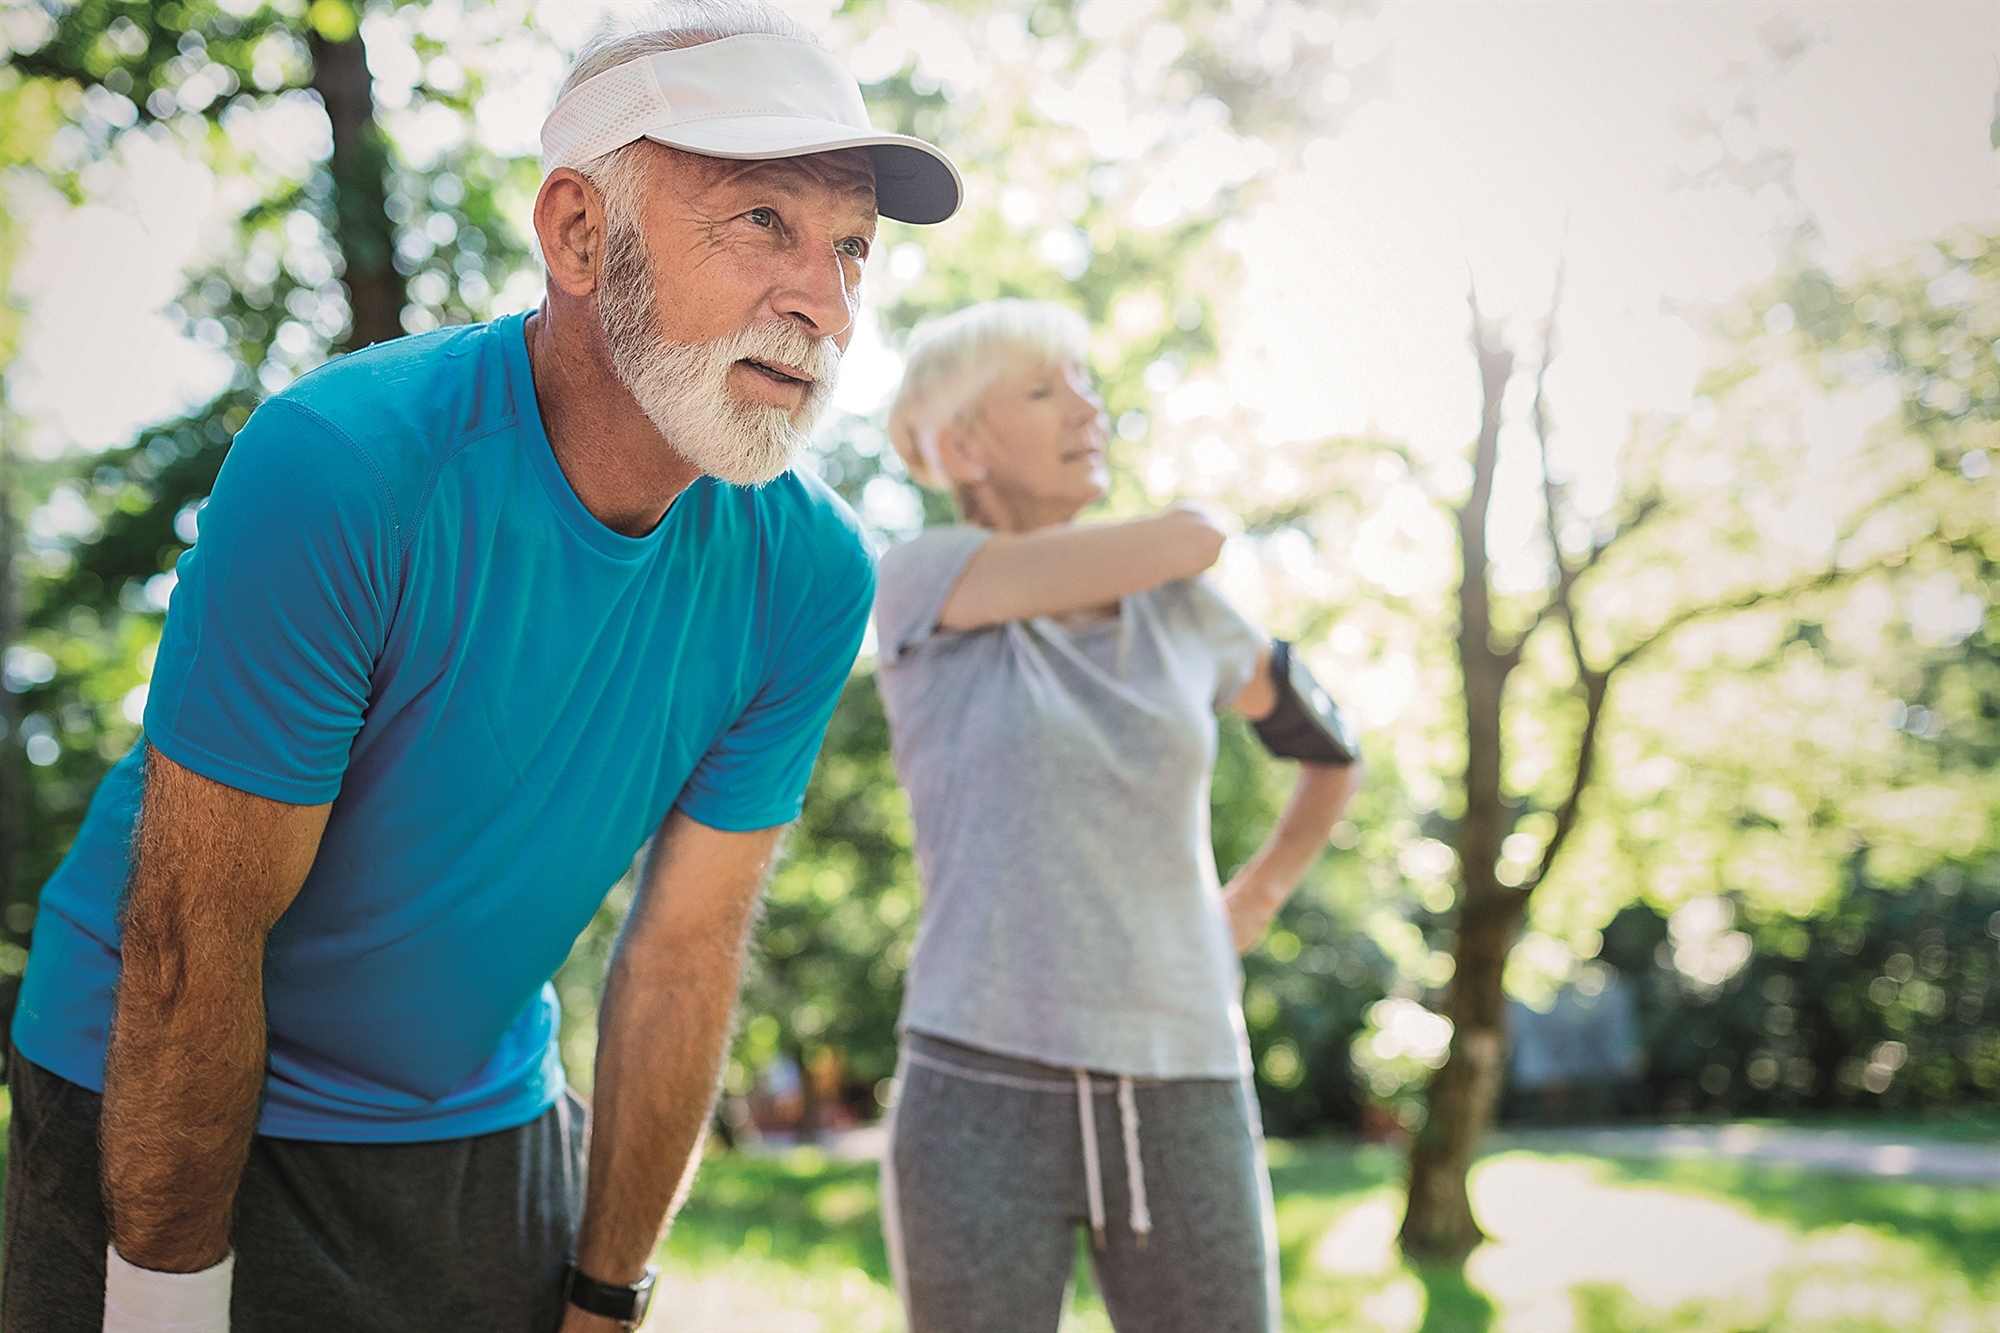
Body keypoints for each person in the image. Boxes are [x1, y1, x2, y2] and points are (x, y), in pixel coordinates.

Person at [3, 4, 960, 1330]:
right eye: (761, 222)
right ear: (578, 233)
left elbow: (684, 957)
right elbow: (189, 942)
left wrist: (608, 1295)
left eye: (852, 248)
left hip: (476, 1114)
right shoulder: (344, 466)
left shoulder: (809, 573)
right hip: (150, 1078)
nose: (825, 300)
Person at [872, 299, 1364, 1333]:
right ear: (960, 445)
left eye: (1085, 383)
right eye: (1045, 390)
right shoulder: (923, 582)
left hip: (1183, 1072)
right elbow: (1190, 532)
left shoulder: (1186, 611)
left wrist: (1256, 896)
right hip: (977, 1078)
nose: (1087, 410)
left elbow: (1327, 754)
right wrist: (1194, 535)